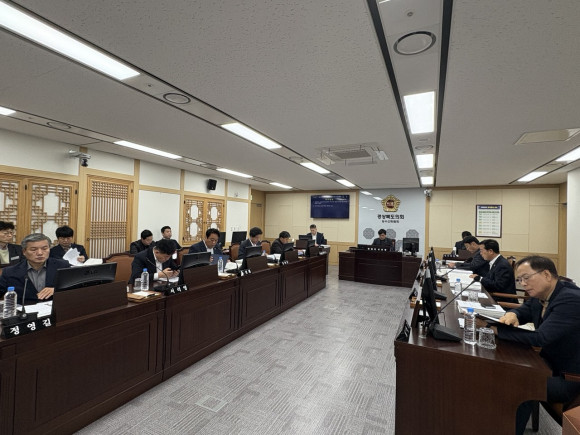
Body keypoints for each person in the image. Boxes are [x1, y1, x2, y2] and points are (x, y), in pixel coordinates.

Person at [492, 256, 580, 435]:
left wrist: (497, 330)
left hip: (568, 378)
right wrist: (514, 314)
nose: (523, 284)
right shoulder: (542, 294)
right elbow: (524, 311)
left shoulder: (571, 300)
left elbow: (541, 338)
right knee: (506, 372)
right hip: (546, 365)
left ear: (546, 274)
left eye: (526, 278)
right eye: (519, 280)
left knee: (521, 385)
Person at [0, 233, 70, 305]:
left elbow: (73, 288)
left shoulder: (62, 265)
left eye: (44, 249)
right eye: (33, 249)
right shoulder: (10, 272)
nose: (40, 253)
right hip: (24, 310)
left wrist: (56, 290)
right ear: (24, 252)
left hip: (54, 309)